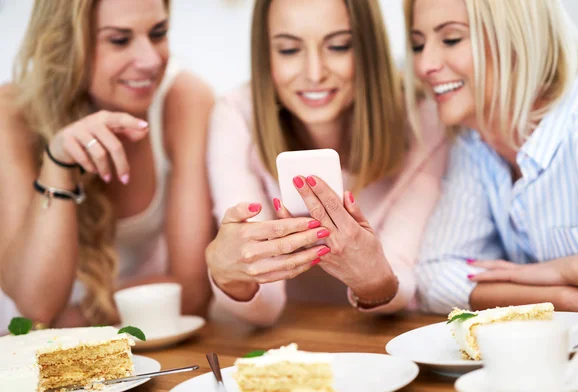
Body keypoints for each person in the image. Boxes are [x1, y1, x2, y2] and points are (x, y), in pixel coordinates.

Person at [205, 0, 449, 326]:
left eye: (338, 46)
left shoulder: (423, 120)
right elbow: (264, 306)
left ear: (368, 48)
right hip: (284, 342)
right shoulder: (237, 115)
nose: (315, 73)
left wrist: (373, 278)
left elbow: (402, 281)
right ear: (265, 54)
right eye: (289, 50)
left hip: (382, 341)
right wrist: (227, 272)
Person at [0, 0, 215, 331]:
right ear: (64, 44)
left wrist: (74, 318)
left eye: (158, 33)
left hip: (138, 341)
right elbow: (35, 305)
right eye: (119, 40)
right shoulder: (12, 113)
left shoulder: (185, 99)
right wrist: (57, 163)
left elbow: (192, 294)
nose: (151, 60)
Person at [404, 0, 578, 314]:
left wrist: (573, 269)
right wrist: (561, 299)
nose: (424, 65)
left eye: (451, 39)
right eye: (418, 44)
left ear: (518, 40)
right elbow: (434, 275)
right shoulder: (475, 148)